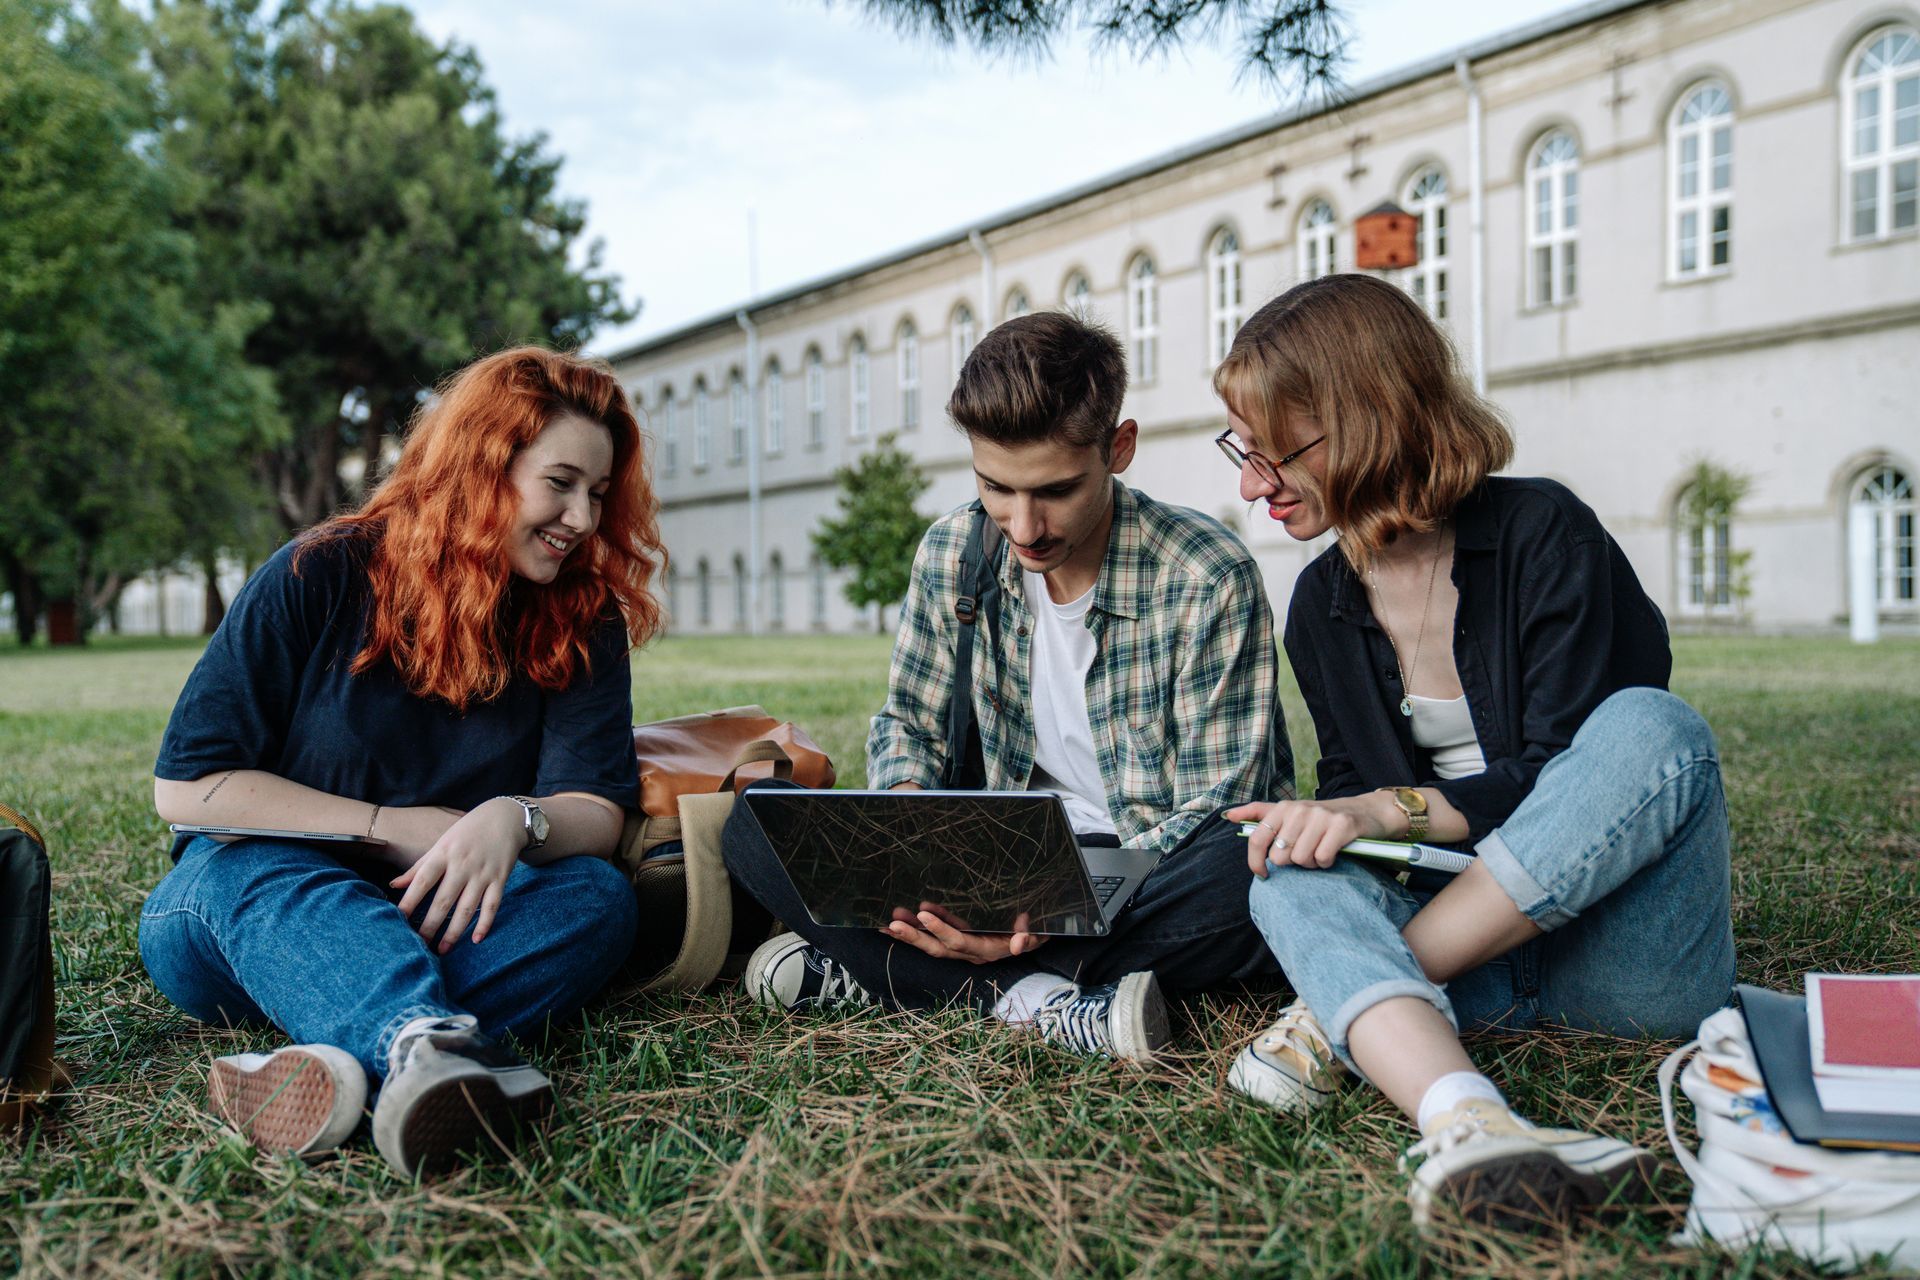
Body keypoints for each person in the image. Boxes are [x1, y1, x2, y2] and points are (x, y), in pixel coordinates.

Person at [1213, 275, 1734, 1230]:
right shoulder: (1320, 605)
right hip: (1472, 982)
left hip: (1621, 964)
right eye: (1243, 453)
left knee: (1655, 730)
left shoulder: (1542, 531)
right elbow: (1348, 796)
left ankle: (1346, 1015)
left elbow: (1577, 784)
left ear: (1369, 419)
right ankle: (1469, 1123)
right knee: (1286, 871)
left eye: (1274, 453)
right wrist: (1339, 825)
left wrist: (1385, 811)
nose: (1251, 485)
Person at [141, 347, 659, 1176]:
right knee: (253, 871)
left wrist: (515, 820)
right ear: (483, 463)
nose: (583, 519)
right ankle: (416, 1042)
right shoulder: (319, 572)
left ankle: (340, 1068)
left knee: (596, 902)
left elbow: (594, 811)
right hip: (251, 912)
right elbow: (188, 788)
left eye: (598, 494)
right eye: (559, 483)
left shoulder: (580, 618)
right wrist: (388, 827)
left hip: (442, 914)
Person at [722, 311, 1290, 1062]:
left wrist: (1045, 908)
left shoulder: (1206, 577)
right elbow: (910, 727)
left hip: (1138, 866)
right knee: (754, 822)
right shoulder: (954, 550)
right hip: (990, 848)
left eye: (1054, 490)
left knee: (1254, 874)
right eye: (996, 487)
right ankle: (1045, 1003)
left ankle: (892, 973)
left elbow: (1221, 805)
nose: (1024, 527)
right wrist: (907, 830)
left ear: (1118, 449)